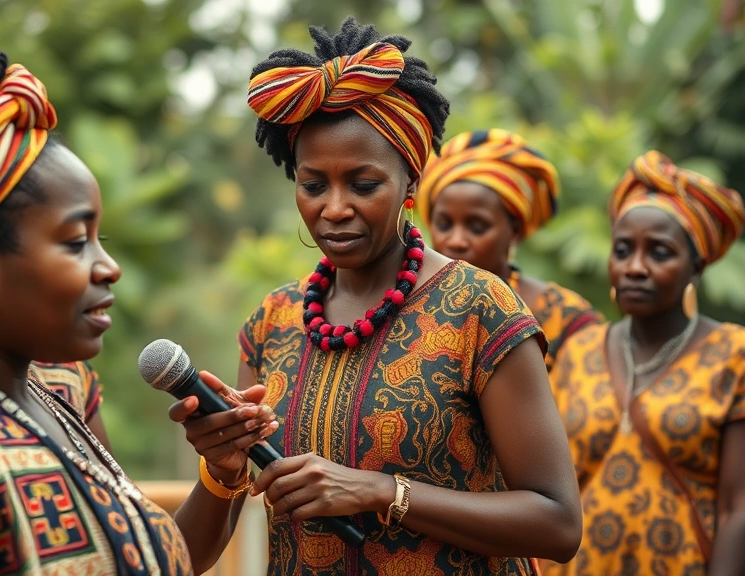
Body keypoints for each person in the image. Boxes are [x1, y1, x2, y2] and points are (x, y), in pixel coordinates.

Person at [169, 18, 582, 575]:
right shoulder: (274, 322)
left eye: (363, 185)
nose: (334, 208)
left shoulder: (478, 307)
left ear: (411, 182)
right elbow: (189, 558)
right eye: (313, 185)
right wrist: (221, 468)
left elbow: (557, 524)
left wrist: (381, 492)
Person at [0, 53, 193, 575]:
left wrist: (222, 474)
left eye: (99, 240)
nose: (108, 267)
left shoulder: (63, 391)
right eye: (74, 242)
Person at [541, 151, 745, 575]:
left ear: (697, 266)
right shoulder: (577, 351)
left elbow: (736, 508)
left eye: (659, 252)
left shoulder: (734, 354)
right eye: (623, 250)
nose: (635, 267)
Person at [417, 129, 603, 371]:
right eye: (444, 225)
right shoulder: (409, 307)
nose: (456, 240)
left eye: (477, 227)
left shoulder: (565, 318)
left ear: (514, 231)